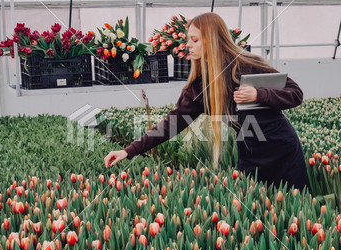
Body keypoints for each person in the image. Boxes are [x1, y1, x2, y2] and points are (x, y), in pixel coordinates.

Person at [104, 12, 310, 191]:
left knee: (295, 214)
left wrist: (258, 95)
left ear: (211, 40)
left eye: (194, 40)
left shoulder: (247, 65)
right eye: (188, 40)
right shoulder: (200, 87)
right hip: (250, 154)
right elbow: (172, 123)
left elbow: (295, 93)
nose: (188, 45)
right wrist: (129, 151)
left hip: (282, 150)